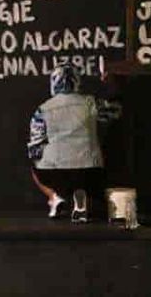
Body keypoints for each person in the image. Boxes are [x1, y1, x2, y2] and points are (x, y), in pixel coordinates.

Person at [27, 64, 121, 222]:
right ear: (77, 82)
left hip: (53, 172)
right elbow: (116, 112)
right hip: (90, 172)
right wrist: (109, 85)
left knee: (35, 165)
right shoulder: (91, 103)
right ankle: (80, 193)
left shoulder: (42, 110)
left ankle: (54, 197)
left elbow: (35, 147)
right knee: (91, 165)